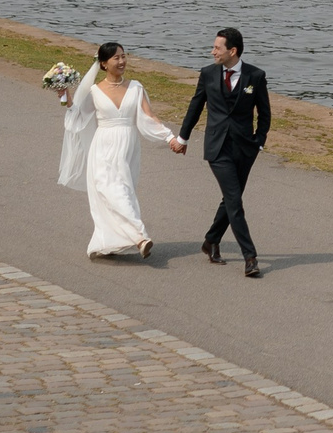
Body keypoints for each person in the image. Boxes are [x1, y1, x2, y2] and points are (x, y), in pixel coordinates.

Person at [57, 41, 184, 260]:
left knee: (124, 191)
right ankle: (140, 237)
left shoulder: (136, 87)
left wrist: (169, 136)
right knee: (109, 191)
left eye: (123, 56)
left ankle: (110, 243)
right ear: (104, 64)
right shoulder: (95, 91)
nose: (122, 61)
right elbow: (77, 116)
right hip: (103, 146)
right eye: (116, 58)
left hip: (128, 147)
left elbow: (149, 117)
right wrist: (64, 95)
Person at [177, 26, 273, 278]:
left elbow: (265, 113)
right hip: (217, 148)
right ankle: (250, 257)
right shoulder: (208, 74)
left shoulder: (256, 76)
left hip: (245, 149)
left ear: (233, 51)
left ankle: (211, 241)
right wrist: (182, 137)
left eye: (217, 48)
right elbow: (195, 107)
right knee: (234, 200)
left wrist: (259, 141)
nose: (212, 52)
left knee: (231, 199)